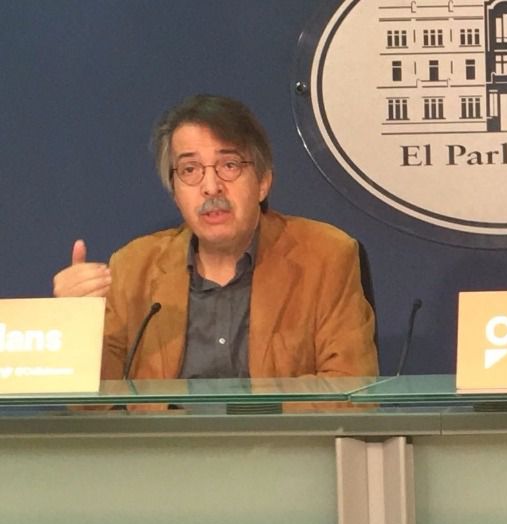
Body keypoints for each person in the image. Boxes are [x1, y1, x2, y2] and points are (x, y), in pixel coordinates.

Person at [53, 94, 378, 380]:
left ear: (263, 182)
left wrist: (247, 419)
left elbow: (351, 389)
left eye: (229, 165)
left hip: (276, 434)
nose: (211, 187)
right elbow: (95, 405)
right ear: (175, 192)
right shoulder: (133, 268)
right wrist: (76, 325)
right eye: (190, 170)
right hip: (166, 435)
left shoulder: (326, 257)